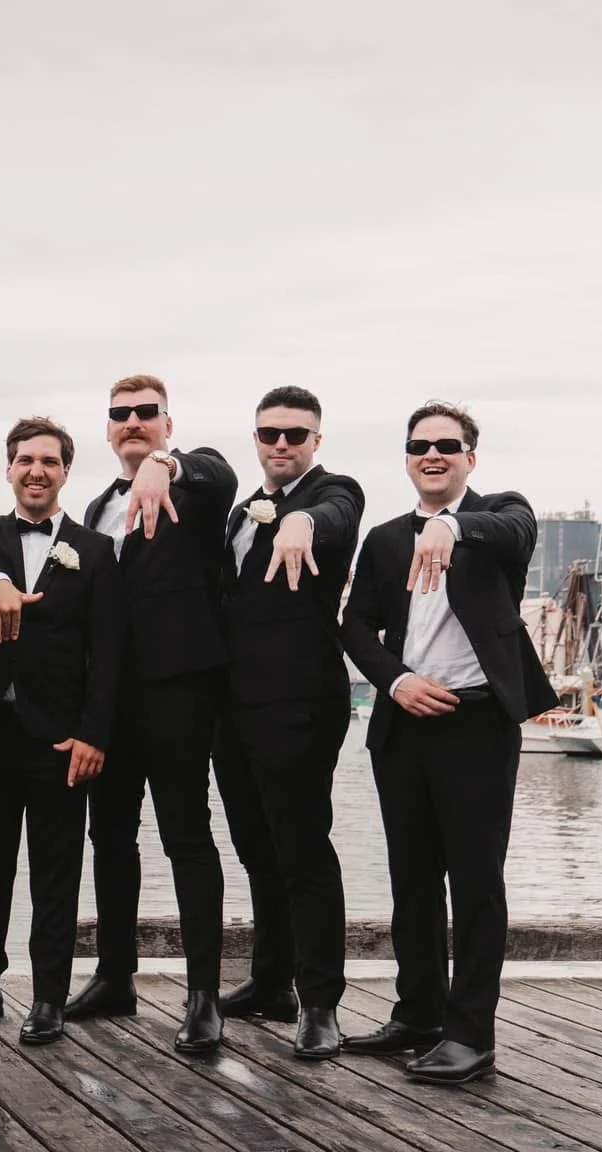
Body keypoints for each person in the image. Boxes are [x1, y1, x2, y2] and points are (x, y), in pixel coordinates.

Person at [339, 402, 554, 1085]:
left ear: (469, 458)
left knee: (476, 883)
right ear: (407, 458)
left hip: (477, 723)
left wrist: (451, 525)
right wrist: (395, 681)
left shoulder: (501, 517)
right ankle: (419, 1015)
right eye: (419, 446)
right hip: (403, 722)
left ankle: (470, 1036)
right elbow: (354, 625)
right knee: (412, 881)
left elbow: (516, 528)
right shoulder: (383, 539)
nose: (432, 455)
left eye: (446, 445)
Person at [0, 417, 121, 1046]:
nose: (36, 471)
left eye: (48, 461)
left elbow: (108, 651)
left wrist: (95, 734)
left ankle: (48, 998)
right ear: (9, 469)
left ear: (65, 471)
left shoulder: (95, 550)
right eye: (25, 460)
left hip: (60, 738)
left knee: (55, 872)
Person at [68, 374, 237, 1053]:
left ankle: (203, 997)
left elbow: (220, 473)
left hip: (178, 690)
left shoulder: (194, 487)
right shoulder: (94, 507)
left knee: (186, 836)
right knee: (109, 837)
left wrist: (166, 467)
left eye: (147, 413)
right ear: (108, 429)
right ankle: (115, 977)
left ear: (168, 424)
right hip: (108, 698)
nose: (133, 422)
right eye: (121, 414)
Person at [212, 386, 364, 1061]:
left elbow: (334, 514)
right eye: (269, 433)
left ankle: (320, 1002)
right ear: (255, 438)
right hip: (233, 708)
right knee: (256, 849)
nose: (281, 444)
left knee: (303, 852)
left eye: (295, 434)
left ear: (316, 441)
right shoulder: (241, 510)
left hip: (299, 705)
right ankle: (271, 982)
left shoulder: (336, 493)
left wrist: (301, 521)